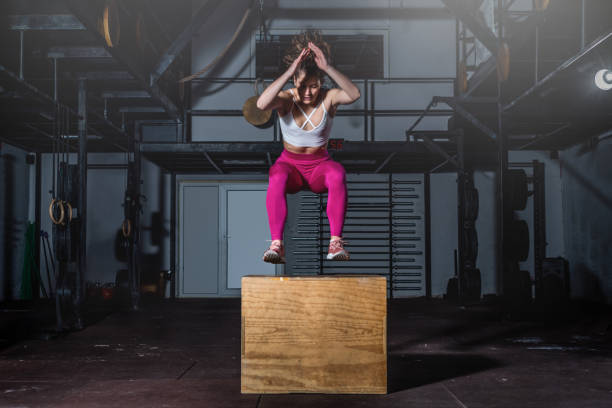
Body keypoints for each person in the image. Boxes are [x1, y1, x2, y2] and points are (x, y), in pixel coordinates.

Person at [256, 30, 361, 264]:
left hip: (318, 169)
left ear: (320, 83)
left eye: (313, 86)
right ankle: (277, 244)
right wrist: (289, 72)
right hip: (290, 167)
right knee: (276, 174)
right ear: (295, 81)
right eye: (302, 86)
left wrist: (327, 68)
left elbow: (354, 94)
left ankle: (335, 243)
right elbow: (262, 103)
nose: (307, 92)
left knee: (337, 172)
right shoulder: (286, 98)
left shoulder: (329, 97)